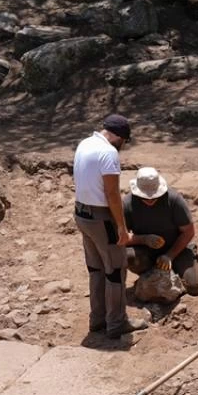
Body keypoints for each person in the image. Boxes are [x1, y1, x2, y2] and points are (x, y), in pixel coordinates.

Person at [72, 114, 147, 339]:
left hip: (81, 214)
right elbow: (112, 194)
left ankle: (97, 320)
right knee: (115, 270)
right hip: (100, 217)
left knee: (95, 269)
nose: (122, 146)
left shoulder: (85, 143)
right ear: (118, 137)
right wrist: (121, 227)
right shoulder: (109, 153)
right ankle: (116, 323)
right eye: (123, 142)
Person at [123, 167, 198, 297]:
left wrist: (170, 255)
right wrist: (143, 239)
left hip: (177, 249)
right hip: (145, 252)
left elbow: (188, 232)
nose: (150, 200)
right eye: (145, 197)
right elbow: (121, 236)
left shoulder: (173, 200)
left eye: (154, 196)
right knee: (128, 256)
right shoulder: (128, 204)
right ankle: (151, 274)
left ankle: (180, 266)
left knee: (195, 286)